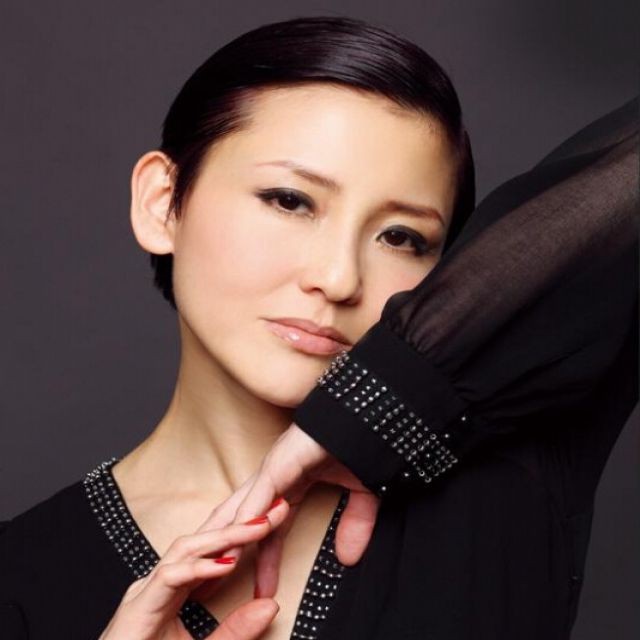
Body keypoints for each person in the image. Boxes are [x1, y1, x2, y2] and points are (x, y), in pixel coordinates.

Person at [0, 15, 636, 640]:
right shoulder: (20, 580)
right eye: (290, 200)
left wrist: (371, 410)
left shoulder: (513, 462)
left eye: (401, 237)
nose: (338, 279)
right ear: (163, 202)